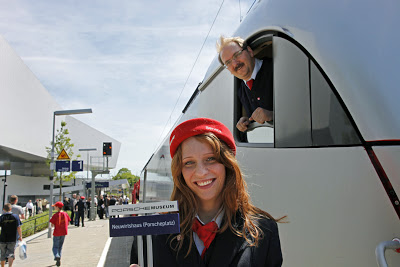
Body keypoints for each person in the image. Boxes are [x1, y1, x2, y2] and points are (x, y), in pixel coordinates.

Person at [150, 118, 283, 266]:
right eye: (189, 162)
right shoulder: (155, 230)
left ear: (228, 165)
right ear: (179, 172)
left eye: (211, 159)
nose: (201, 172)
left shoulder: (264, 230)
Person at [216, 36, 273, 132]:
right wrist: (248, 122)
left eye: (237, 55)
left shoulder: (275, 68)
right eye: (228, 62)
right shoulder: (241, 92)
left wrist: (272, 115)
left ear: (250, 51)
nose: (235, 64)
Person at [50, 201, 71, 266]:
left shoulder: (55, 215)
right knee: (60, 246)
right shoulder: (65, 214)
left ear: (57, 207)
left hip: (57, 232)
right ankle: (59, 258)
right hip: (64, 232)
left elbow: (52, 225)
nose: (54, 208)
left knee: (55, 247)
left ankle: (57, 256)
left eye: (55, 207)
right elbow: (68, 222)